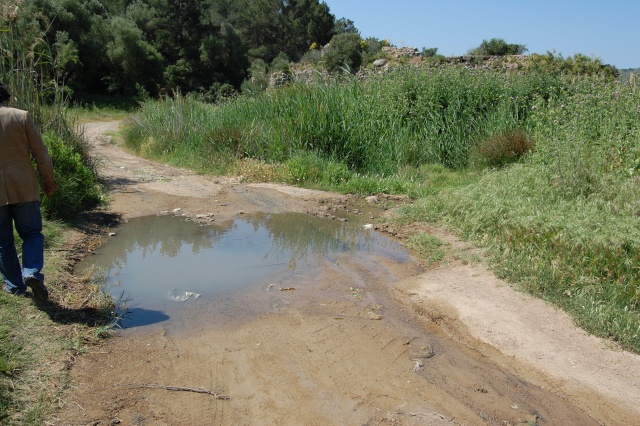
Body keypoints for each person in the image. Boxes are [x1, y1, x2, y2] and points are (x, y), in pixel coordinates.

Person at [0, 82, 57, 300]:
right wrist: (49, 181)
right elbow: (41, 154)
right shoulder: (20, 116)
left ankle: (15, 285)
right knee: (32, 233)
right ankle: (31, 273)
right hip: (23, 186)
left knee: (3, 241)